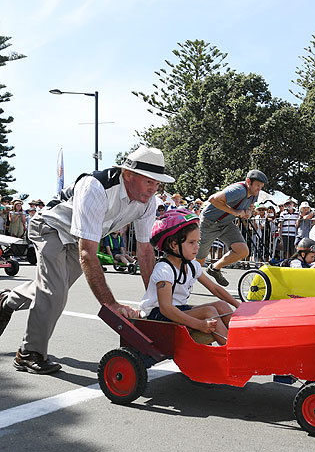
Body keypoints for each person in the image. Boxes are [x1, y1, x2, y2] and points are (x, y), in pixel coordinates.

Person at [0, 146, 173, 374]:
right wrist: (111, 304)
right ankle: (29, 353)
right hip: (51, 227)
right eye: (149, 181)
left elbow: (145, 252)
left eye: (157, 183)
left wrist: (156, 300)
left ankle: (7, 300)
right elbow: (87, 254)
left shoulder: (147, 203)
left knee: (51, 287)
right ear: (128, 175)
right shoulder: (97, 187)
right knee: (54, 291)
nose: (154, 189)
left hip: (80, 238)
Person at [140, 209, 240, 345]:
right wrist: (199, 324)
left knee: (221, 305)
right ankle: (232, 350)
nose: (197, 247)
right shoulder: (164, 270)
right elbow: (166, 309)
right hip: (158, 316)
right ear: (174, 245)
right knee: (209, 311)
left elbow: (215, 289)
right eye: (191, 242)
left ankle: (242, 342)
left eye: (198, 242)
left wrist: (238, 306)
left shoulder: (192, 265)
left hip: (179, 309)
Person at [196, 169, 268, 286]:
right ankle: (185, 285)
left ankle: (214, 269)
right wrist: (235, 212)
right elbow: (212, 199)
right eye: (257, 185)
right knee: (199, 259)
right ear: (248, 181)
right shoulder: (238, 190)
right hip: (210, 223)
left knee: (243, 251)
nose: (259, 188)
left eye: (261, 186)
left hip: (226, 224)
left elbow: (251, 205)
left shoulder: (255, 193)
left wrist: (249, 212)